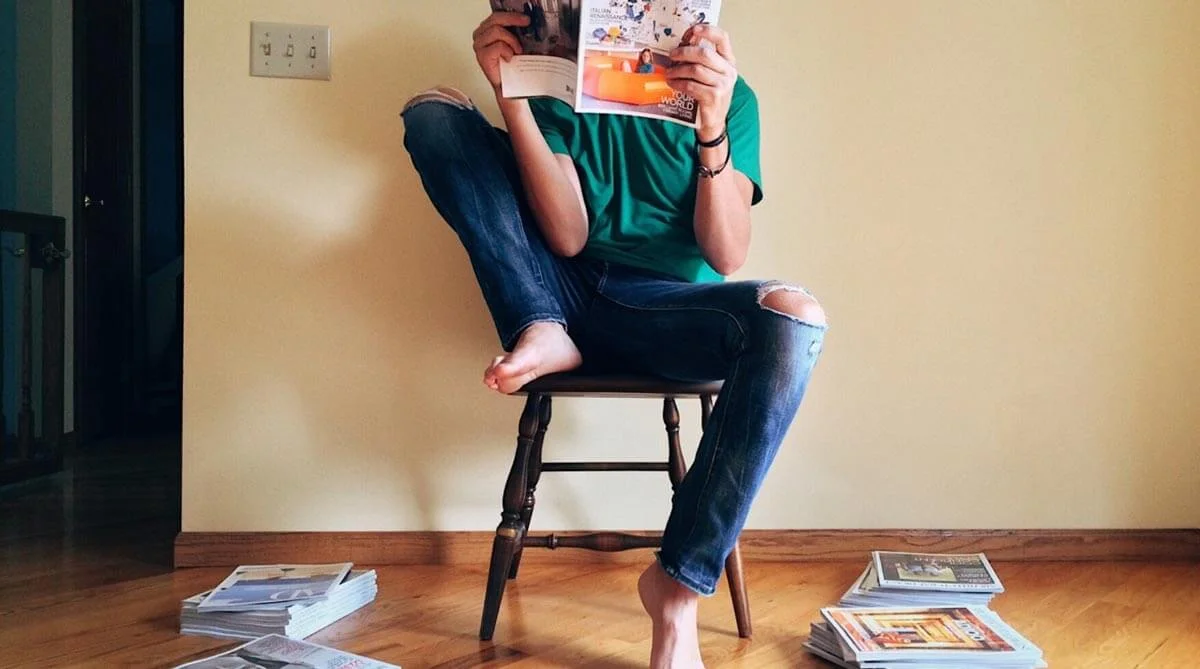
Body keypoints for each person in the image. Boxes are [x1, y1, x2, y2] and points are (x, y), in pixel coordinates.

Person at [401, 10, 826, 669]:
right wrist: (511, 94)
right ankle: (538, 324)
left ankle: (677, 589)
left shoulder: (733, 97)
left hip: (659, 305)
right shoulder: (554, 88)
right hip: (555, 286)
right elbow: (567, 234)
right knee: (434, 115)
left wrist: (711, 126)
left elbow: (727, 251)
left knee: (793, 316)